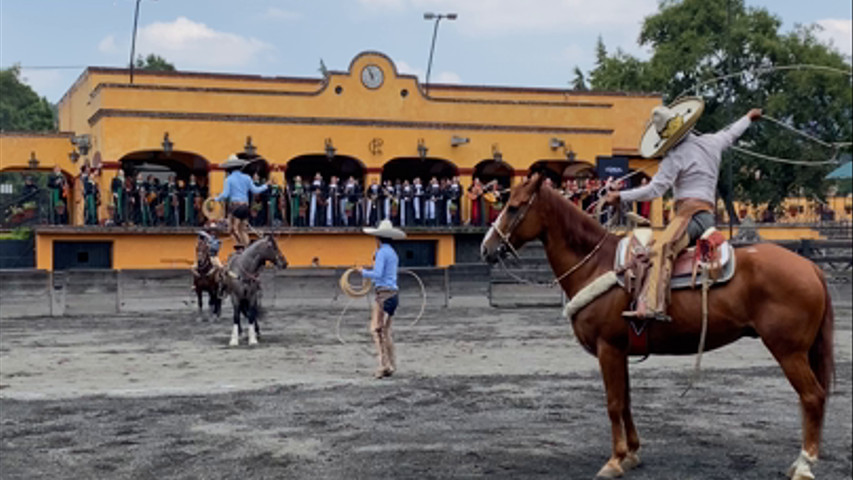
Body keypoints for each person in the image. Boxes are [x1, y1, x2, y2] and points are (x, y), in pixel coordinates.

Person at [605, 98, 762, 320]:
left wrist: (620, 196)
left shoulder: (674, 156)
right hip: (708, 217)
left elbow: (655, 190)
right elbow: (731, 133)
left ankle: (652, 306)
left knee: (659, 249)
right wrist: (748, 117)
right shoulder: (712, 142)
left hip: (689, 217)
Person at [358, 219, 406, 378]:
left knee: (376, 330)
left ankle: (383, 365)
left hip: (383, 295)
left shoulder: (381, 253)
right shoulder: (392, 253)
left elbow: (378, 274)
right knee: (386, 331)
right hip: (393, 294)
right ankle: (391, 363)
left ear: (378, 238)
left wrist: (363, 272)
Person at [215, 155, 268, 250]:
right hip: (245, 207)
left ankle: (240, 246)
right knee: (243, 230)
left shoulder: (229, 179)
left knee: (232, 229)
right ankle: (247, 248)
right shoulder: (247, 178)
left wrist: (216, 198)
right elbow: (255, 190)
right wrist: (266, 186)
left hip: (235, 207)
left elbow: (225, 194)